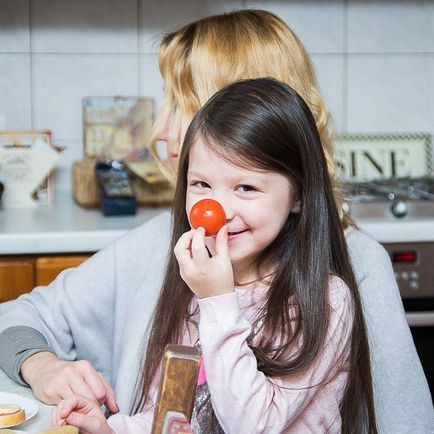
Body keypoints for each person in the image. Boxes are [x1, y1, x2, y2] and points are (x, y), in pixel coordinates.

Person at [0, 9, 432, 433]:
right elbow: (173, 412)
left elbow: (405, 421)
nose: (160, 132)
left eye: (181, 104)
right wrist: (42, 366)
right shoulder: (174, 245)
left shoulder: (341, 275)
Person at [52, 77, 377, 433]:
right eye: (202, 185)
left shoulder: (324, 301)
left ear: (298, 196)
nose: (217, 210)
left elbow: (253, 425)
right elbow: (173, 418)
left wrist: (219, 300)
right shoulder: (194, 285)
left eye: (246, 187)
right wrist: (111, 429)